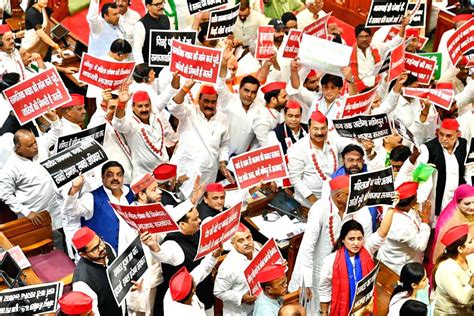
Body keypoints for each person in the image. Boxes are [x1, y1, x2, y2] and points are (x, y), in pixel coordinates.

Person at [288, 175, 373, 311]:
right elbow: (307, 247)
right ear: (339, 196)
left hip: (338, 268)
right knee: (311, 307)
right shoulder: (320, 208)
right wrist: (307, 283)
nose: (355, 198)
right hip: (315, 267)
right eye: (350, 195)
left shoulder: (353, 209)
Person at [318, 207, 395, 316]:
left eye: (359, 238)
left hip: (364, 309)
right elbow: (324, 288)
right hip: (341, 310)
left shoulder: (367, 249)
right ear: (343, 240)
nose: (356, 243)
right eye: (351, 239)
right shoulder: (331, 260)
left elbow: (382, 232)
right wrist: (324, 313)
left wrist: (391, 208)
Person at [0, 127, 63, 244]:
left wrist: (55, 122)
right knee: (45, 247)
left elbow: (55, 135)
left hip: (55, 207)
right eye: (30, 145)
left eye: (35, 142)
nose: (35, 146)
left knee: (60, 240)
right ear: (18, 149)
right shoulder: (10, 168)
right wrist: (26, 212)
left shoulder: (39, 147)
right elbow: (5, 195)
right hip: (35, 216)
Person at [168, 80, 232, 186]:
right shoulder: (189, 112)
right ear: (199, 100)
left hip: (207, 174)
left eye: (213, 102)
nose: (209, 105)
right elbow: (173, 107)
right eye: (206, 101)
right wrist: (185, 89)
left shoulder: (223, 118)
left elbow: (224, 145)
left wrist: (222, 163)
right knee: (179, 200)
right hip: (184, 169)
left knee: (202, 201)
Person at [62, 161, 135, 255]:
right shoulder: (91, 197)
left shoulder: (132, 191)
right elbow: (70, 212)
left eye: (119, 175)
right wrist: (74, 189)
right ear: (102, 177)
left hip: (135, 251)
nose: (115, 178)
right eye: (110, 175)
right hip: (107, 256)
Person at [71, 226, 139, 315]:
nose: (102, 248)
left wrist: (127, 287)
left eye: (100, 241)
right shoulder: (82, 283)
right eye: (94, 249)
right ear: (83, 254)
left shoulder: (107, 248)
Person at [113, 89, 170, 178]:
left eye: (147, 105)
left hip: (165, 172)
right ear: (133, 107)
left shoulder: (155, 116)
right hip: (144, 177)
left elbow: (168, 94)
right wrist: (121, 104)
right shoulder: (130, 122)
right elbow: (118, 124)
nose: (144, 109)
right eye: (140, 106)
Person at [417, 118, 468, 216]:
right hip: (436, 200)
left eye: (449, 136)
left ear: (458, 134)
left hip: (458, 200)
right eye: (441, 134)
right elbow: (419, 177)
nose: (444, 138)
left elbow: (467, 170)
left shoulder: (463, 144)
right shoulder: (428, 148)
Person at [216, 45, 262, 156]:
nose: (249, 95)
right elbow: (220, 86)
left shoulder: (259, 110)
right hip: (219, 157)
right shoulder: (229, 100)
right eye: (246, 91)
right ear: (239, 88)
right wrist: (223, 63)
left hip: (240, 162)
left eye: (253, 92)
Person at [287, 111, 338, 207]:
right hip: (308, 203)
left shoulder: (333, 141)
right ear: (309, 128)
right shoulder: (297, 149)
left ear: (327, 128)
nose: (319, 132)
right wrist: (315, 203)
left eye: (323, 128)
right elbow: (295, 180)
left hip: (332, 198)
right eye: (315, 129)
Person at [378, 182, 431, 275]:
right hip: (397, 267)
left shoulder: (393, 208)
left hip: (391, 258)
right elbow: (420, 246)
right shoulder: (401, 225)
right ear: (412, 203)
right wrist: (425, 222)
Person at [163, 243, 223, 315]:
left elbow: (203, 269)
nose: (192, 275)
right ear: (193, 290)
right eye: (192, 279)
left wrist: (214, 256)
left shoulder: (172, 291)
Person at [214, 224, 259, 315]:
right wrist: (241, 298)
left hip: (260, 302)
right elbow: (218, 292)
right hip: (242, 311)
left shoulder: (257, 248)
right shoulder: (228, 266)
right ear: (233, 244)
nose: (247, 243)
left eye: (248, 238)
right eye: (240, 241)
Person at [350, 20, 407, 91]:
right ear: (356, 38)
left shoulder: (377, 47)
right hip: (358, 91)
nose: (364, 39)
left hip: (377, 89)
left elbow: (394, 43)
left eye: (366, 36)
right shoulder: (349, 53)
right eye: (361, 37)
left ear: (371, 37)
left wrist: (403, 27)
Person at [431, 184, 474, 269]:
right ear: (457, 202)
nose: (472, 207)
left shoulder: (470, 214)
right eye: (467, 204)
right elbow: (440, 252)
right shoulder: (448, 222)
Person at [433, 224, 474, 314]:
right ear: (460, 249)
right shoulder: (447, 269)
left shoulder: (470, 257)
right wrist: (471, 283)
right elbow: (462, 299)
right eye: (470, 242)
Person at [133, 0, 170, 69]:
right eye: (157, 4)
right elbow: (137, 50)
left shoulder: (165, 19)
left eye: (162, 3)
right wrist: (143, 70)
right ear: (148, 6)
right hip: (150, 69)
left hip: (165, 66)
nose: (161, 6)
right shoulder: (140, 25)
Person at [254, 81, 288, 147]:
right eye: (284, 97)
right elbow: (267, 146)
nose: (286, 99)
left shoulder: (280, 110)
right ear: (273, 99)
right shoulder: (262, 119)